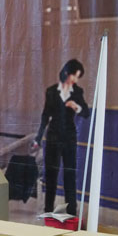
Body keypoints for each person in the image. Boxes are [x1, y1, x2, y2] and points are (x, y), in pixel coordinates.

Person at [32, 59, 90, 216]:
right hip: (53, 137)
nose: (76, 80)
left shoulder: (77, 92)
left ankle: (71, 212)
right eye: (75, 76)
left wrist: (75, 106)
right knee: (51, 174)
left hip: (70, 138)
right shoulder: (51, 91)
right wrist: (38, 137)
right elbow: (45, 116)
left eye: (78, 77)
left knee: (70, 175)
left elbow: (86, 113)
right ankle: (48, 210)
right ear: (67, 73)